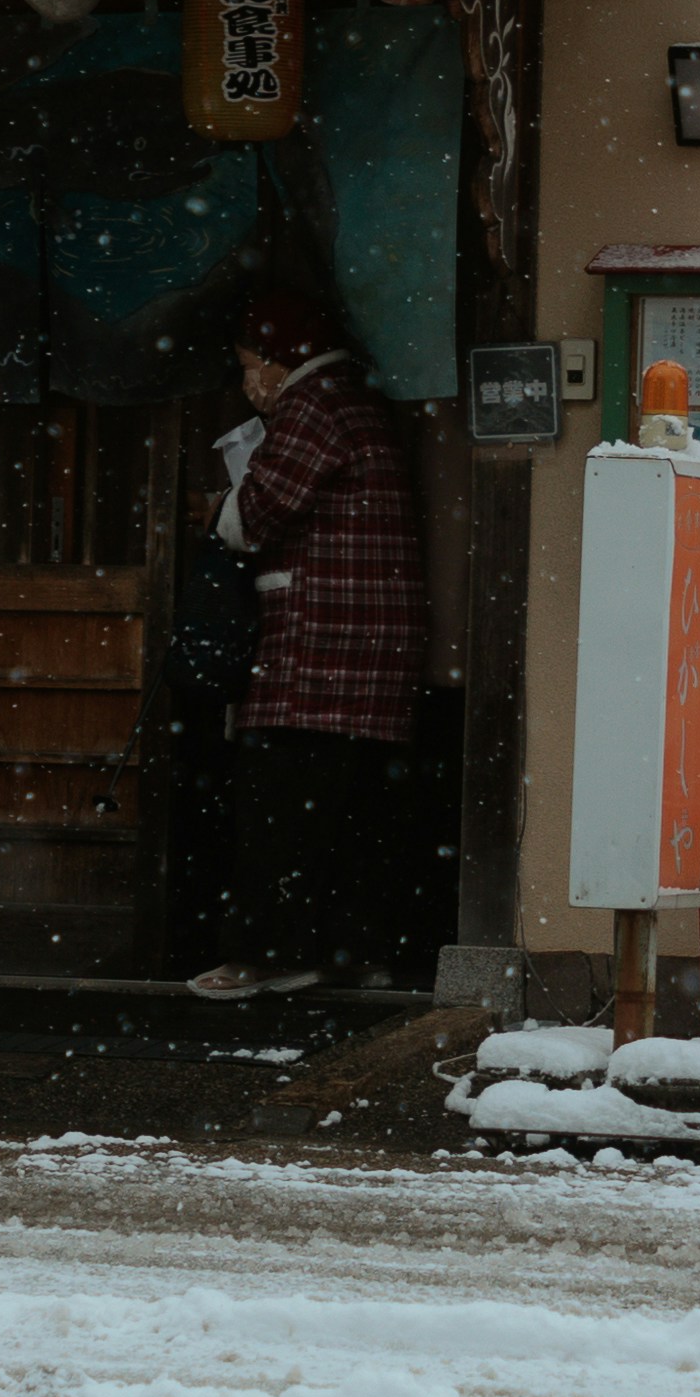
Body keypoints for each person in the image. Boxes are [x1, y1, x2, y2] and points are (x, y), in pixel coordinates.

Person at [188, 289, 423, 997]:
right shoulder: (355, 400)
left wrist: (216, 510)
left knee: (281, 810)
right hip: (370, 652)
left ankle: (270, 955)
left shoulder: (312, 403)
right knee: (353, 817)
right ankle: (357, 953)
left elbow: (255, 514)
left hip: (322, 650)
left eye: (247, 365)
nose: (247, 382)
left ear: (275, 360)